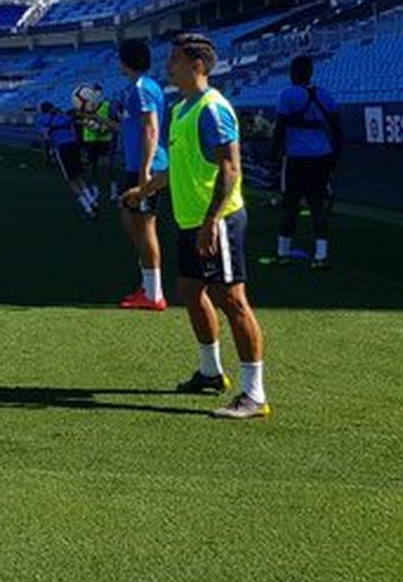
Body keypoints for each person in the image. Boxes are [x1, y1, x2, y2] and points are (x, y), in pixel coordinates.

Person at [123, 32, 270, 420]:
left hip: (216, 221)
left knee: (233, 300)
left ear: (197, 66)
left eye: (175, 60)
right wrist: (143, 190)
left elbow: (230, 168)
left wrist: (211, 221)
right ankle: (211, 372)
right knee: (189, 291)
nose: (168, 66)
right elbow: (178, 169)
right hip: (191, 221)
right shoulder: (182, 108)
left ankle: (254, 394)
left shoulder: (212, 108)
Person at [114, 39, 170, 311]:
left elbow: (151, 128)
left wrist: (145, 171)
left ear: (125, 61)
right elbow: (133, 127)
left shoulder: (142, 89)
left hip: (144, 167)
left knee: (145, 225)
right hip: (135, 166)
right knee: (131, 220)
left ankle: (154, 293)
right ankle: (148, 284)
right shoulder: (136, 89)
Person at [272, 54, 340, 269]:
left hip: (297, 157)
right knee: (317, 205)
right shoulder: (325, 95)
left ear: (294, 73)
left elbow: (280, 127)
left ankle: (283, 253)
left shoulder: (288, 95)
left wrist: (274, 152)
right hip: (320, 156)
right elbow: (337, 128)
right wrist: (335, 155)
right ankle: (321, 256)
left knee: (290, 205)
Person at [36, 100, 95, 219]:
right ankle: (92, 200)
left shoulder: (42, 119)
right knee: (78, 175)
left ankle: (87, 208)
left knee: (70, 179)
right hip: (73, 145)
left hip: (62, 148)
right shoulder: (63, 116)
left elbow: (45, 137)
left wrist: (48, 153)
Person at [80, 92, 114, 205]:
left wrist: (105, 127)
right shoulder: (84, 105)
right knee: (91, 166)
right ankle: (95, 190)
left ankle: (113, 189)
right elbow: (83, 120)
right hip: (90, 140)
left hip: (105, 139)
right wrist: (92, 126)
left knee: (107, 166)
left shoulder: (107, 105)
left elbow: (114, 120)